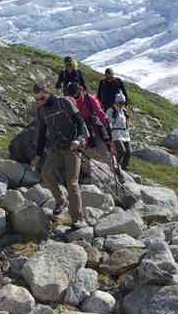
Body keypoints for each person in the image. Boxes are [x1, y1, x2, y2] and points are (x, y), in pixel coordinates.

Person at [31, 82, 88, 226]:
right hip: (55, 148)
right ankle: (61, 200)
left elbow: (80, 122)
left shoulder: (64, 103)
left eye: (42, 98)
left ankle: (78, 219)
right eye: (37, 99)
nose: (40, 102)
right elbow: (42, 134)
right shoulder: (41, 111)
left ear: (48, 92)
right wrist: (37, 155)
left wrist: (78, 140)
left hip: (73, 147)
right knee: (46, 173)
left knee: (72, 182)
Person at [66, 81, 116, 172]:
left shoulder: (89, 99)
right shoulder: (70, 102)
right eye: (72, 95)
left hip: (94, 129)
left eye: (75, 94)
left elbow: (100, 114)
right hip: (81, 132)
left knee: (104, 151)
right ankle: (87, 174)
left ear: (80, 90)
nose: (74, 96)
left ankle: (116, 171)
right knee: (84, 153)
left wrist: (108, 127)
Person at [108, 92, 131, 171]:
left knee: (128, 152)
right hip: (116, 132)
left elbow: (126, 122)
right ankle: (116, 165)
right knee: (121, 150)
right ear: (116, 102)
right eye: (120, 103)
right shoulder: (111, 110)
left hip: (124, 133)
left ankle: (124, 167)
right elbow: (108, 121)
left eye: (123, 103)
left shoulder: (124, 111)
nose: (122, 104)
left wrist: (127, 121)